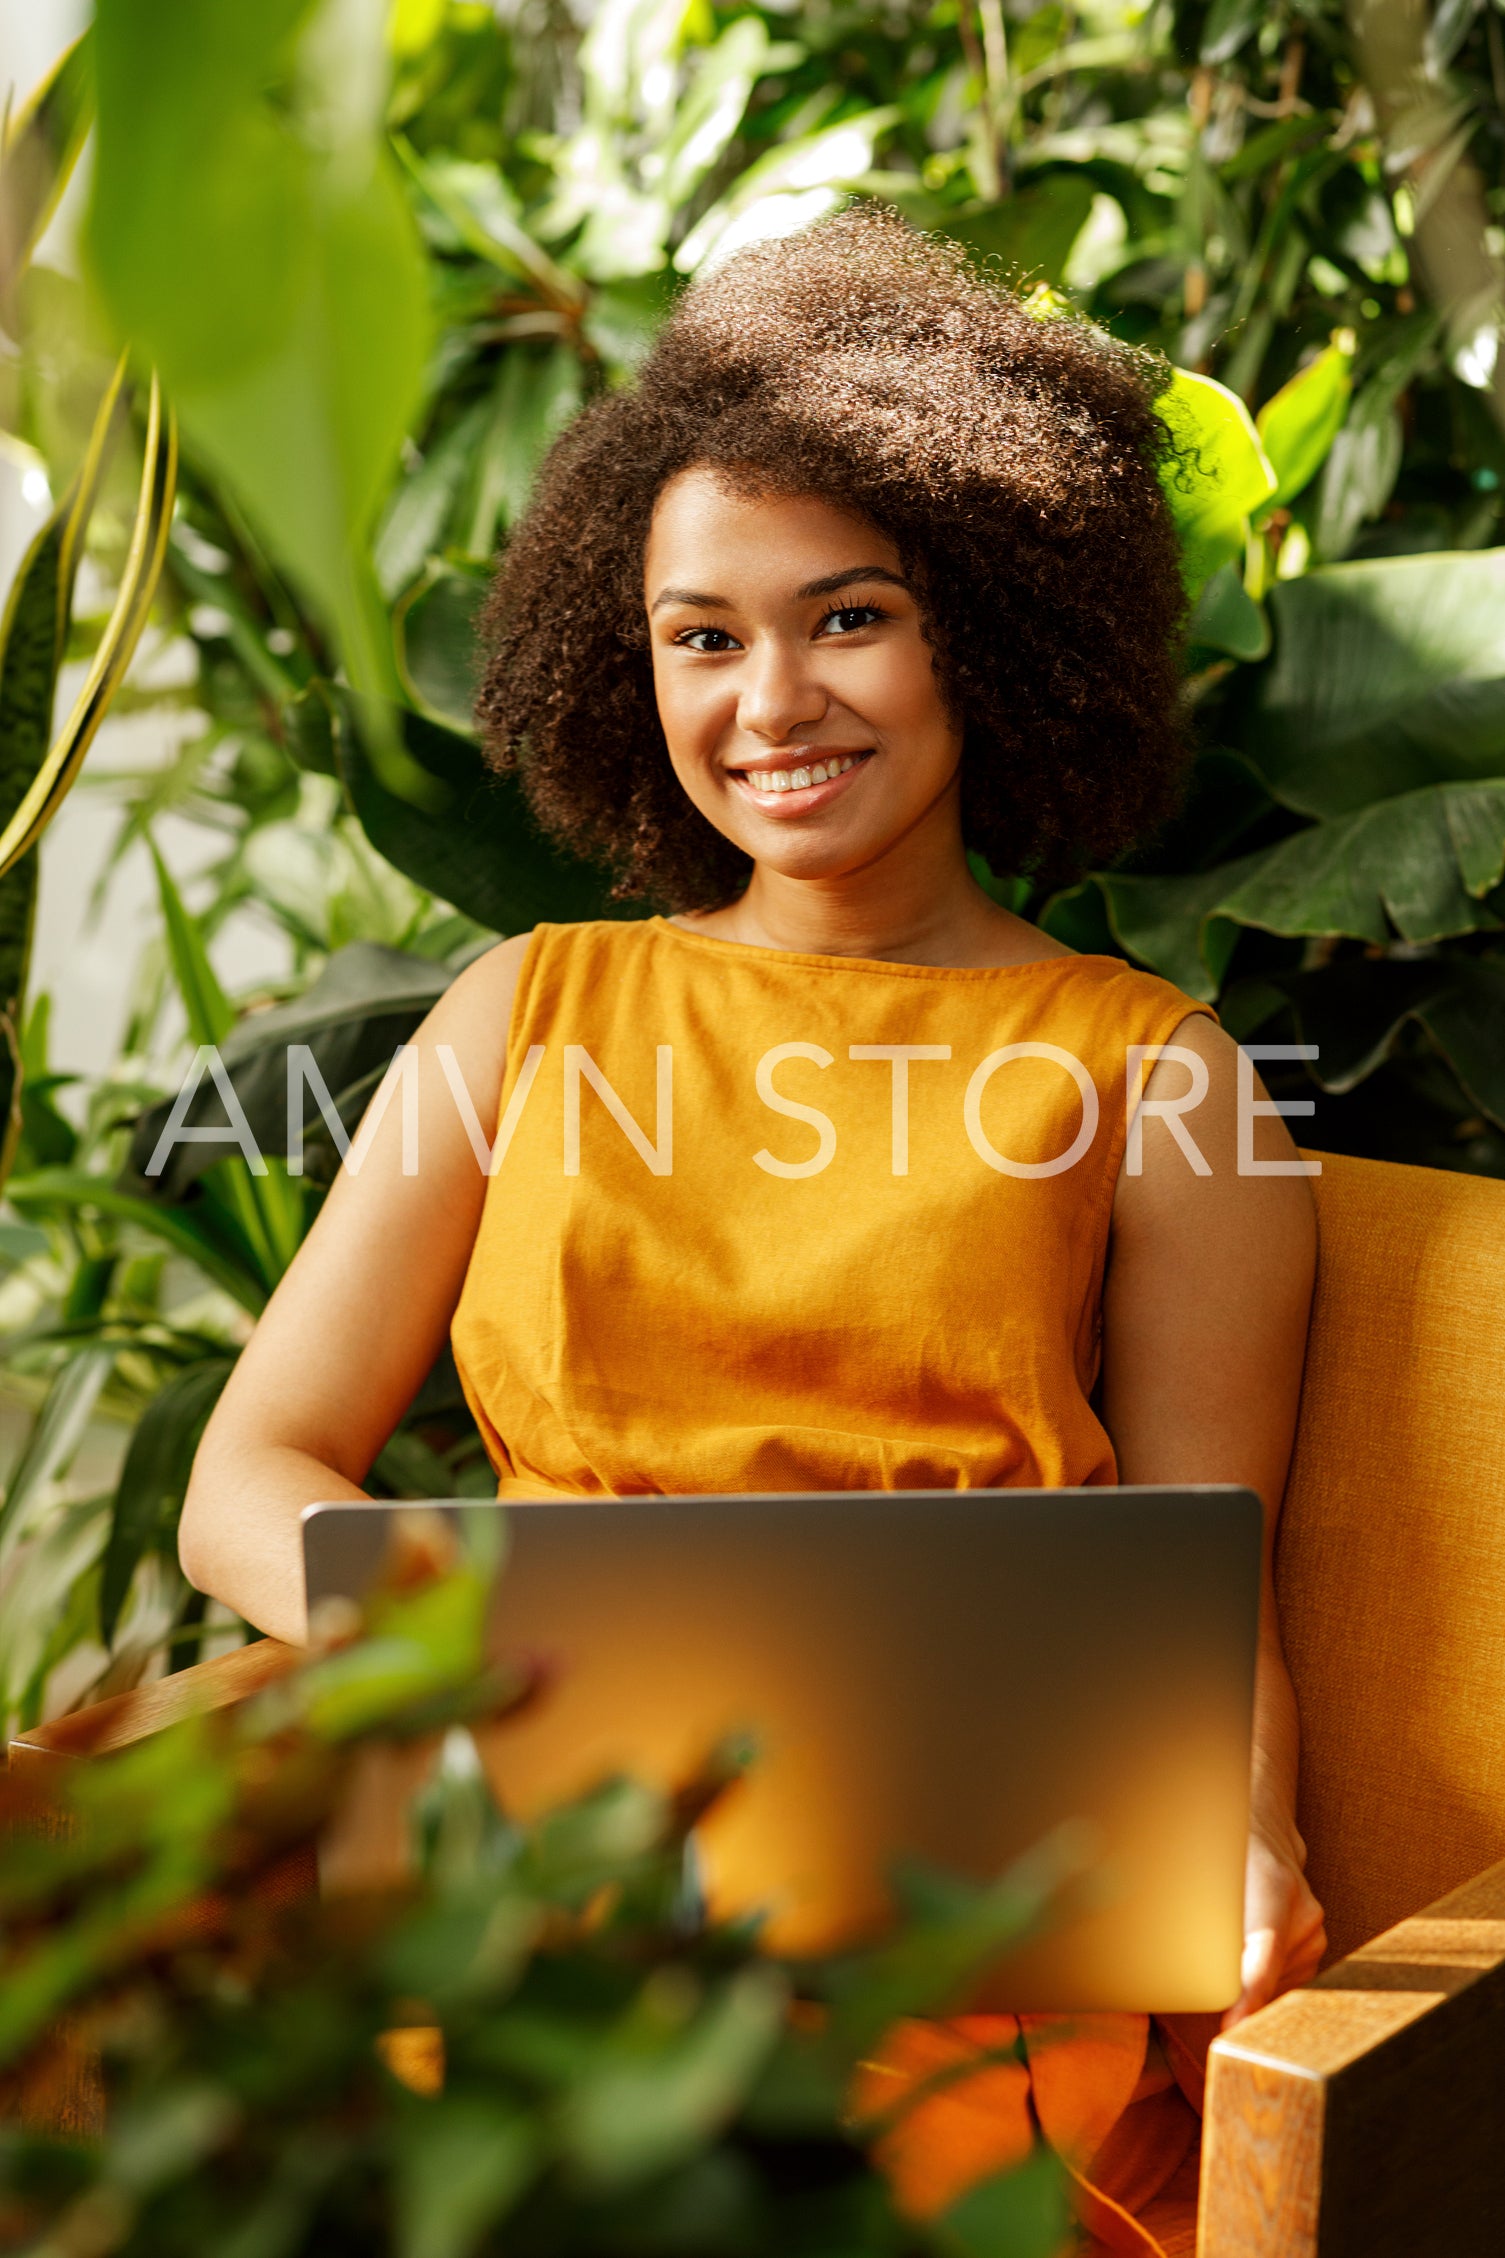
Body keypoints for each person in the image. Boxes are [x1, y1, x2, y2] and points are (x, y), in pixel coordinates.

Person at [181, 207, 1326, 2251]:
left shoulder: (1159, 1075)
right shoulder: (521, 1013)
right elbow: (247, 1477)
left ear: (990, 617)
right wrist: (506, 1667)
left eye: (847, 616)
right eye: (701, 635)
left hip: (944, 1937)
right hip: (525, 1866)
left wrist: (1248, 1840)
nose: (770, 699)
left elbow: (1202, 1572)